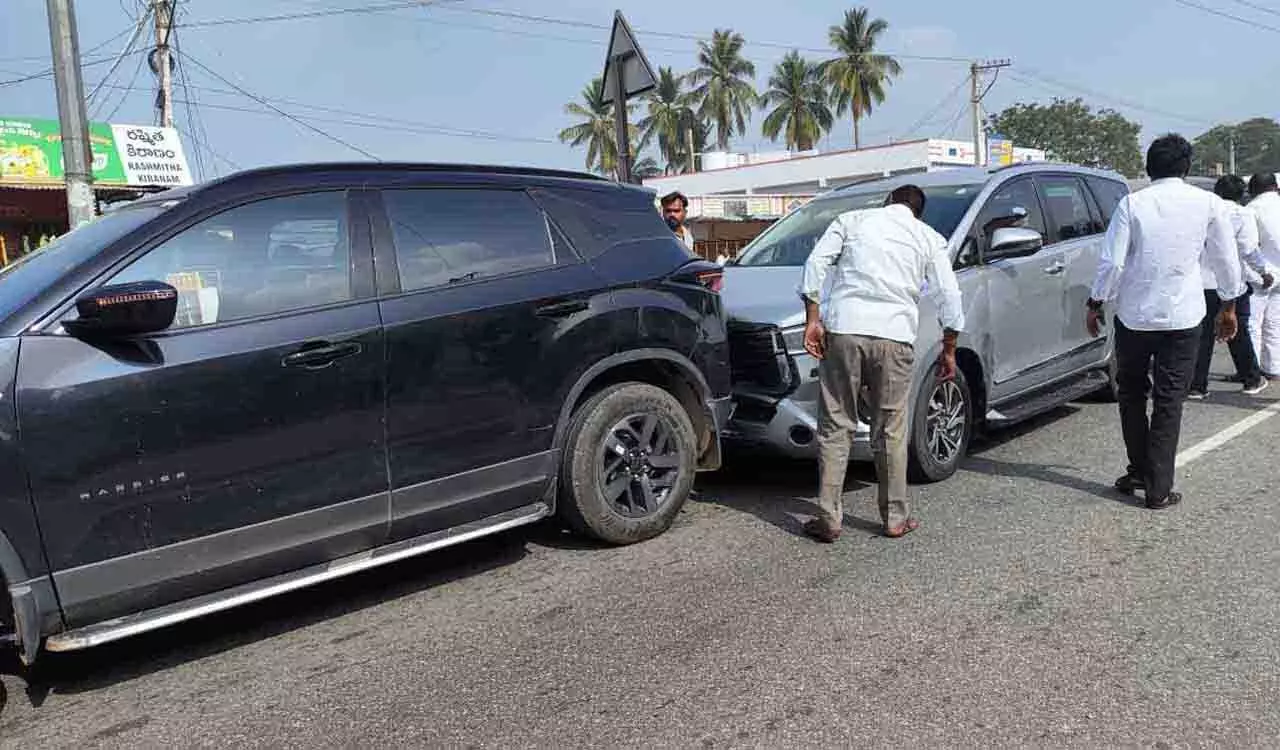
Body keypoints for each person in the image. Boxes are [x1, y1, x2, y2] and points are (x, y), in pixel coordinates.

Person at [798, 184, 964, 543]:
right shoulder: (928, 237)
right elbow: (949, 295)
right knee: (890, 428)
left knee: (836, 424)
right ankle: (894, 518)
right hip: (894, 336)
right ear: (918, 211)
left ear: (888, 202)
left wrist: (813, 317)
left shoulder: (853, 220)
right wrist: (949, 348)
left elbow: (816, 263)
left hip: (844, 330)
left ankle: (829, 518)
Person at [1087, 134, 1244, 510]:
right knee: (1169, 401)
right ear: (1186, 168)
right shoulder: (1208, 203)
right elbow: (1225, 258)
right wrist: (1229, 305)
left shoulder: (1131, 204)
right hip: (1184, 316)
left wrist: (1095, 301)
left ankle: (1140, 471)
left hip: (1135, 316)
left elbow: (1113, 262)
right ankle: (1158, 487)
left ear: (1148, 167)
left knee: (1131, 394)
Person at [1189, 175, 1274, 398]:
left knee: (1203, 335)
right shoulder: (1242, 213)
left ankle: (1197, 386)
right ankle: (1251, 379)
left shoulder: (1202, 212)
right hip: (1232, 283)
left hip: (1203, 282)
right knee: (1238, 332)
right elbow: (1248, 249)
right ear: (1241, 194)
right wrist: (1263, 271)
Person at [1247, 172, 1280, 380]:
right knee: (1274, 323)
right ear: (1275, 187)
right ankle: (1274, 367)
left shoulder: (1251, 210)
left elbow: (1249, 246)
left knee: (1252, 324)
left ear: (1252, 189)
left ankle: (1252, 369)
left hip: (1262, 275)